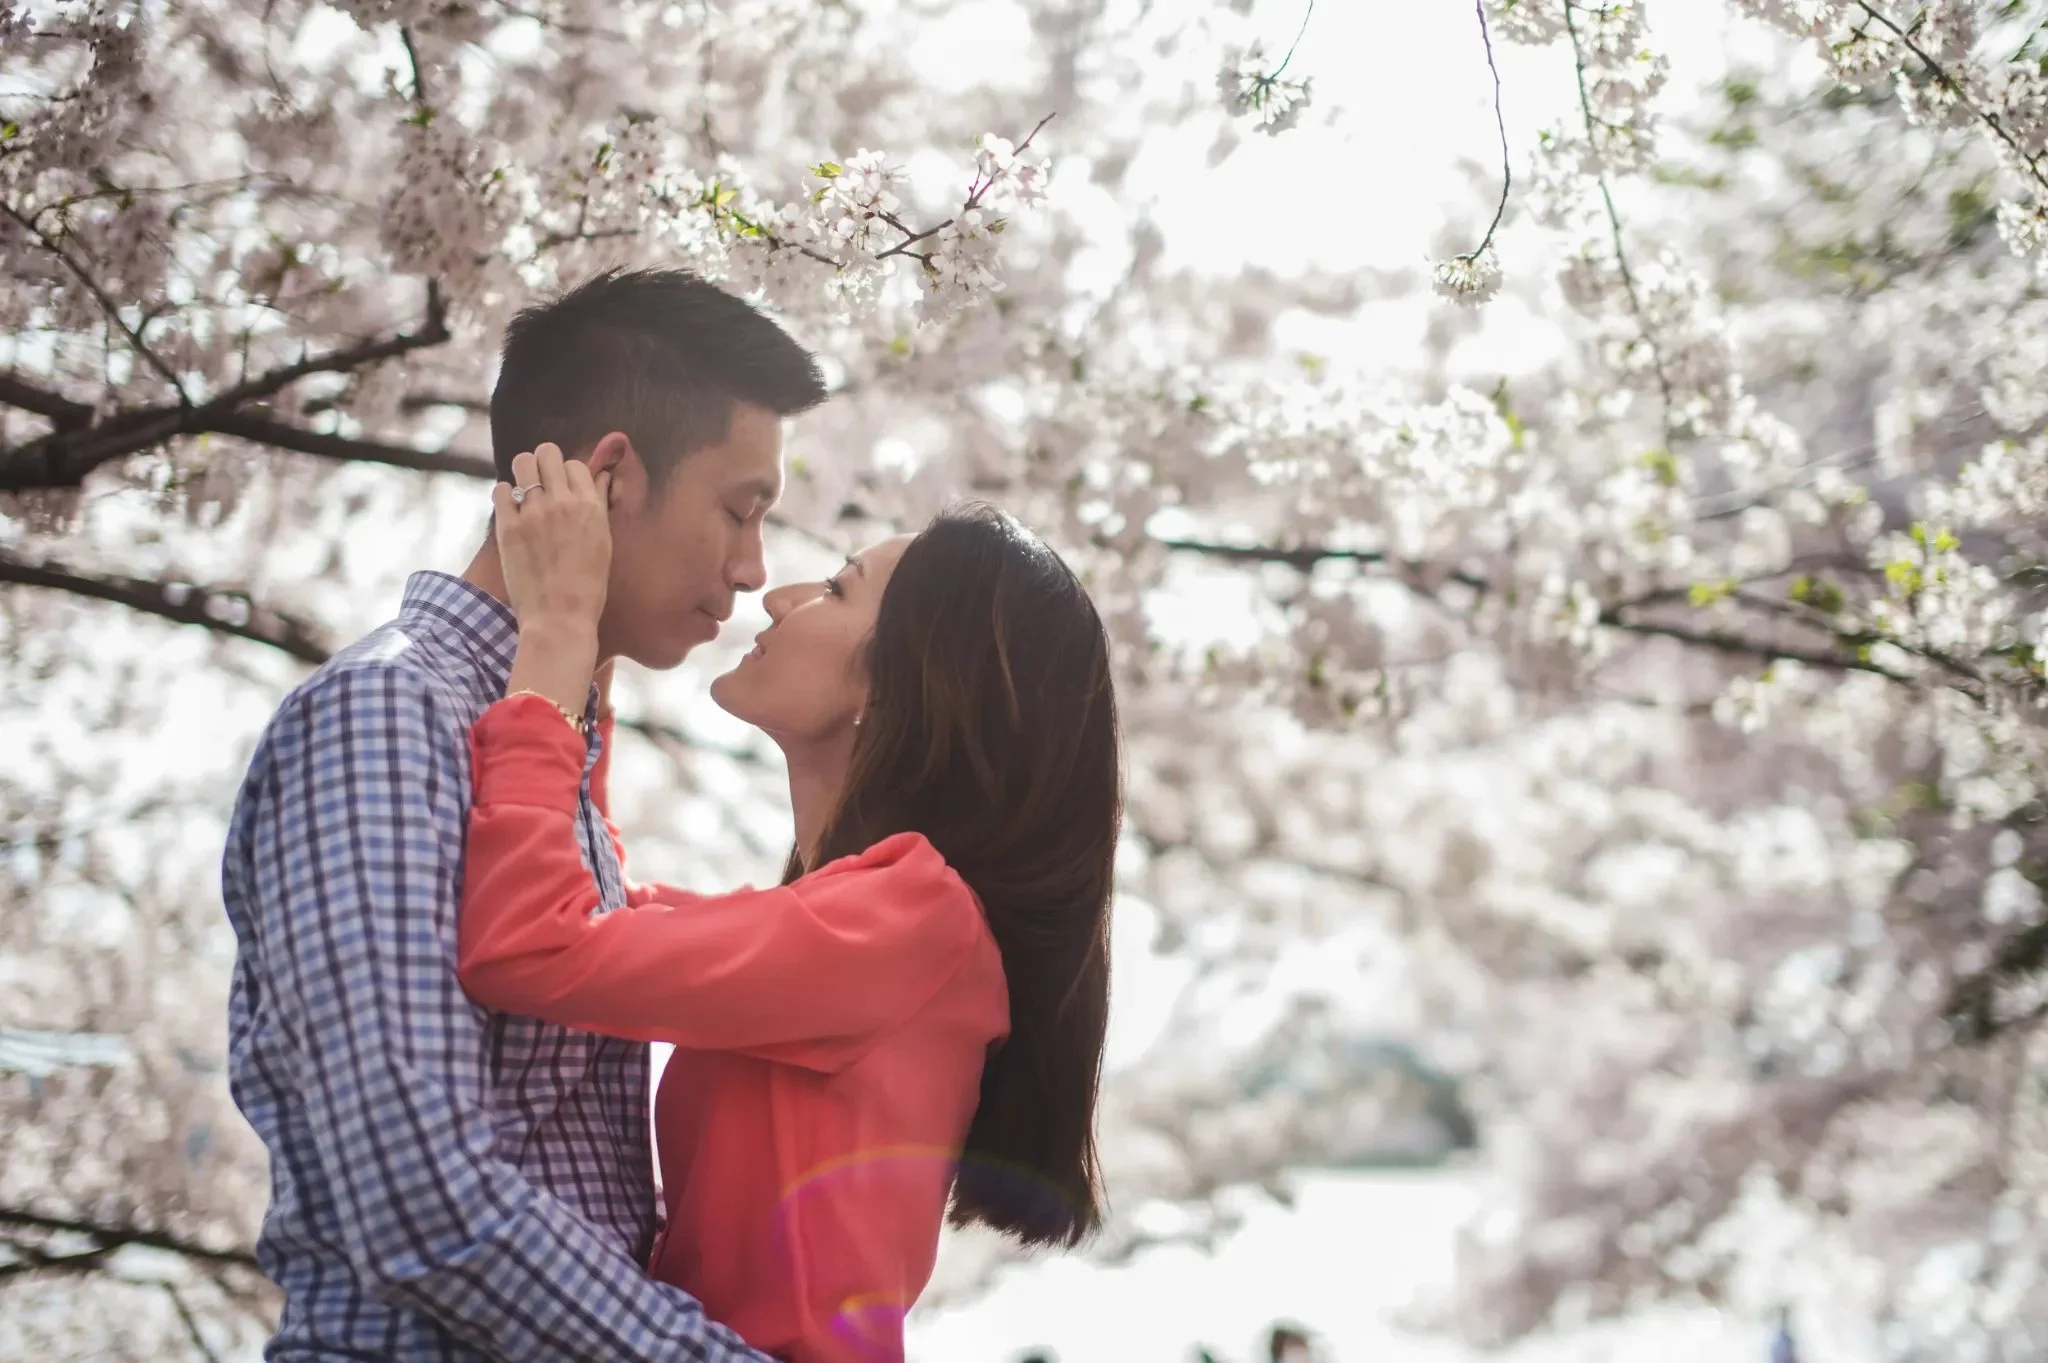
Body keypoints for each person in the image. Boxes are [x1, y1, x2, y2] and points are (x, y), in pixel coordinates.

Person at [219, 268, 826, 1361]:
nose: (751, 569)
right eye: (739, 510)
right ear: (610, 477)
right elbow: (421, 1202)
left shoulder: (533, 741)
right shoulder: (386, 714)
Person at [452, 445, 1120, 1363]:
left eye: (838, 590)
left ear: (892, 688)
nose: (778, 595)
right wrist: (592, 651)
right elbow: (609, 904)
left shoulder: (906, 923)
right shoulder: (862, 920)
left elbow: (529, 942)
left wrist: (561, 632)